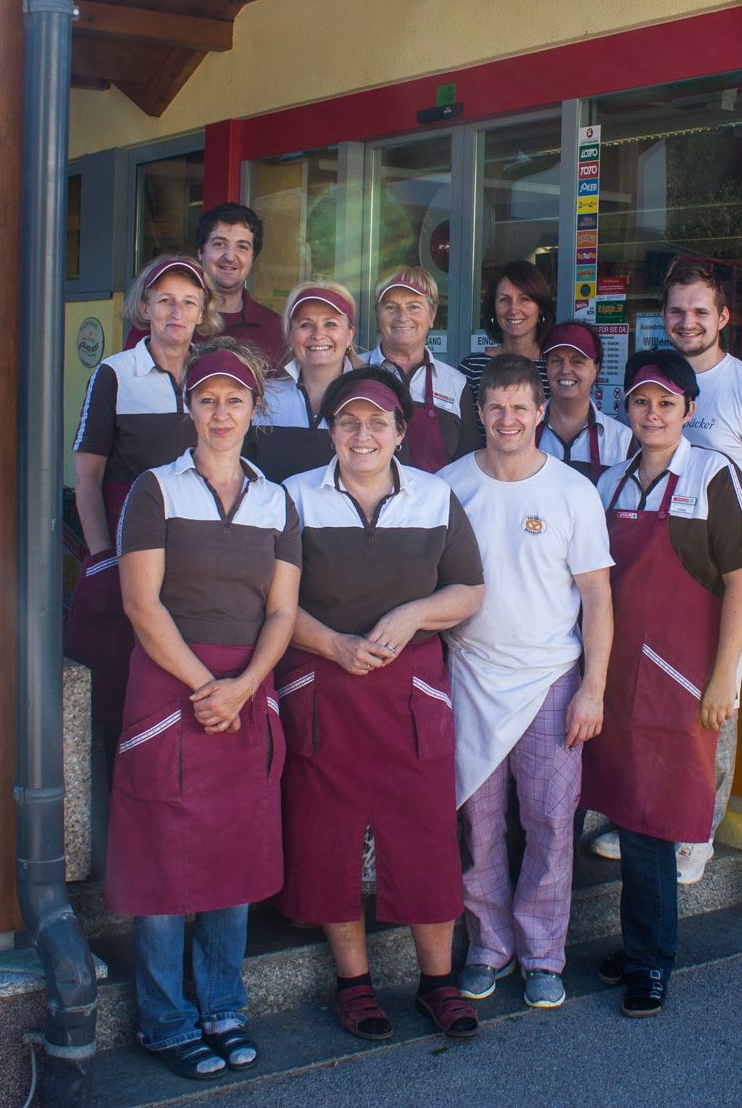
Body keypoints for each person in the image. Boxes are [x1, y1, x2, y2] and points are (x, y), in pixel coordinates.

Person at [279, 368, 488, 1042]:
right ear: (331, 431)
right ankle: (355, 983)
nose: (362, 434)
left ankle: (437, 983)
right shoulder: (294, 499)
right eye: (348, 422)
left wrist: (416, 612)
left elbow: (470, 589)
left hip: (410, 694)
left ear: (401, 432)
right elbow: (275, 602)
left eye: (377, 423)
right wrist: (332, 643)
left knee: (426, 836)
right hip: (325, 689)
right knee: (328, 836)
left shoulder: (434, 496)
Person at [109, 341, 300, 1080]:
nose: (221, 413)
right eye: (208, 399)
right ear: (189, 407)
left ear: (255, 410)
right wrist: (206, 686)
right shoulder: (155, 491)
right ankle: (164, 1018)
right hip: (170, 685)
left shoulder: (274, 499)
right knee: (163, 856)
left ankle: (223, 1002)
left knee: (234, 850)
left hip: (246, 687)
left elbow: (282, 609)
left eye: (236, 400)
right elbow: (140, 603)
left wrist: (246, 683)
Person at [584, 350, 742, 1018]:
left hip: (681, 681)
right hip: (619, 674)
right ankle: (637, 947)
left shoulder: (713, 474)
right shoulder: (613, 482)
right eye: (640, 401)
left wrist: (723, 676)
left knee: (655, 822)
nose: (651, 413)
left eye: (665, 402)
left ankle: (652, 961)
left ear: (689, 410)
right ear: (626, 410)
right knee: (630, 814)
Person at [442, 354, 613, 1011]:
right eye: (496, 406)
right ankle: (489, 946)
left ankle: (543, 953)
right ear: (480, 412)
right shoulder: (449, 486)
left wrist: (591, 686)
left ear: (541, 412)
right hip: (472, 677)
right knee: (478, 825)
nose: (507, 418)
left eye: (520, 407)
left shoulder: (572, 491)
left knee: (548, 822)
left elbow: (596, 597)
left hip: (550, 681)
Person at [625, 257, 742, 882]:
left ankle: (697, 830)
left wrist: (737, 573)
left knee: (712, 705)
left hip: (714, 585)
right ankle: (646, 817)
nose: (687, 322)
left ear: (723, 316)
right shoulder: (650, 385)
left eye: (701, 311)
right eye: (676, 310)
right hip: (650, 588)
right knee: (649, 703)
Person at [67, 255, 217, 749]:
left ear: (203, 313)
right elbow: (87, 478)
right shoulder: (115, 374)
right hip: (129, 550)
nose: (177, 312)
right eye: (166, 301)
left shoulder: (214, 373)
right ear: (145, 307)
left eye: (189, 303)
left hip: (196, 553)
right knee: (119, 683)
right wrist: (102, 557)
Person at [363, 266, 481, 472]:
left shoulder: (455, 383)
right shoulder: (353, 373)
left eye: (414, 307)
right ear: (377, 314)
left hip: (436, 503)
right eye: (391, 307)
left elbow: (468, 464)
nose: (402, 316)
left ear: (432, 315)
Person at [250, 281, 360, 482]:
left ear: (349, 335)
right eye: (306, 324)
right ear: (290, 335)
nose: (318, 335)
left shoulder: (371, 398)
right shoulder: (265, 398)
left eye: (331, 324)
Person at [457, 259, 554, 438]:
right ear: (493, 308)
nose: (513, 309)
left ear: (540, 307)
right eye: (504, 300)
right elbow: (465, 439)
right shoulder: (472, 368)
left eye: (524, 299)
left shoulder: (555, 368)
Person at [537, 321, 634, 482]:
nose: (566, 369)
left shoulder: (622, 438)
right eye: (556, 360)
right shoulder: (523, 428)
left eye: (577, 361)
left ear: (596, 369)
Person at [197, 202, 285, 360]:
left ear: (253, 257)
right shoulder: (175, 320)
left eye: (242, 247)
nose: (230, 257)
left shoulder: (276, 330)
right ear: (201, 252)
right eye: (219, 244)